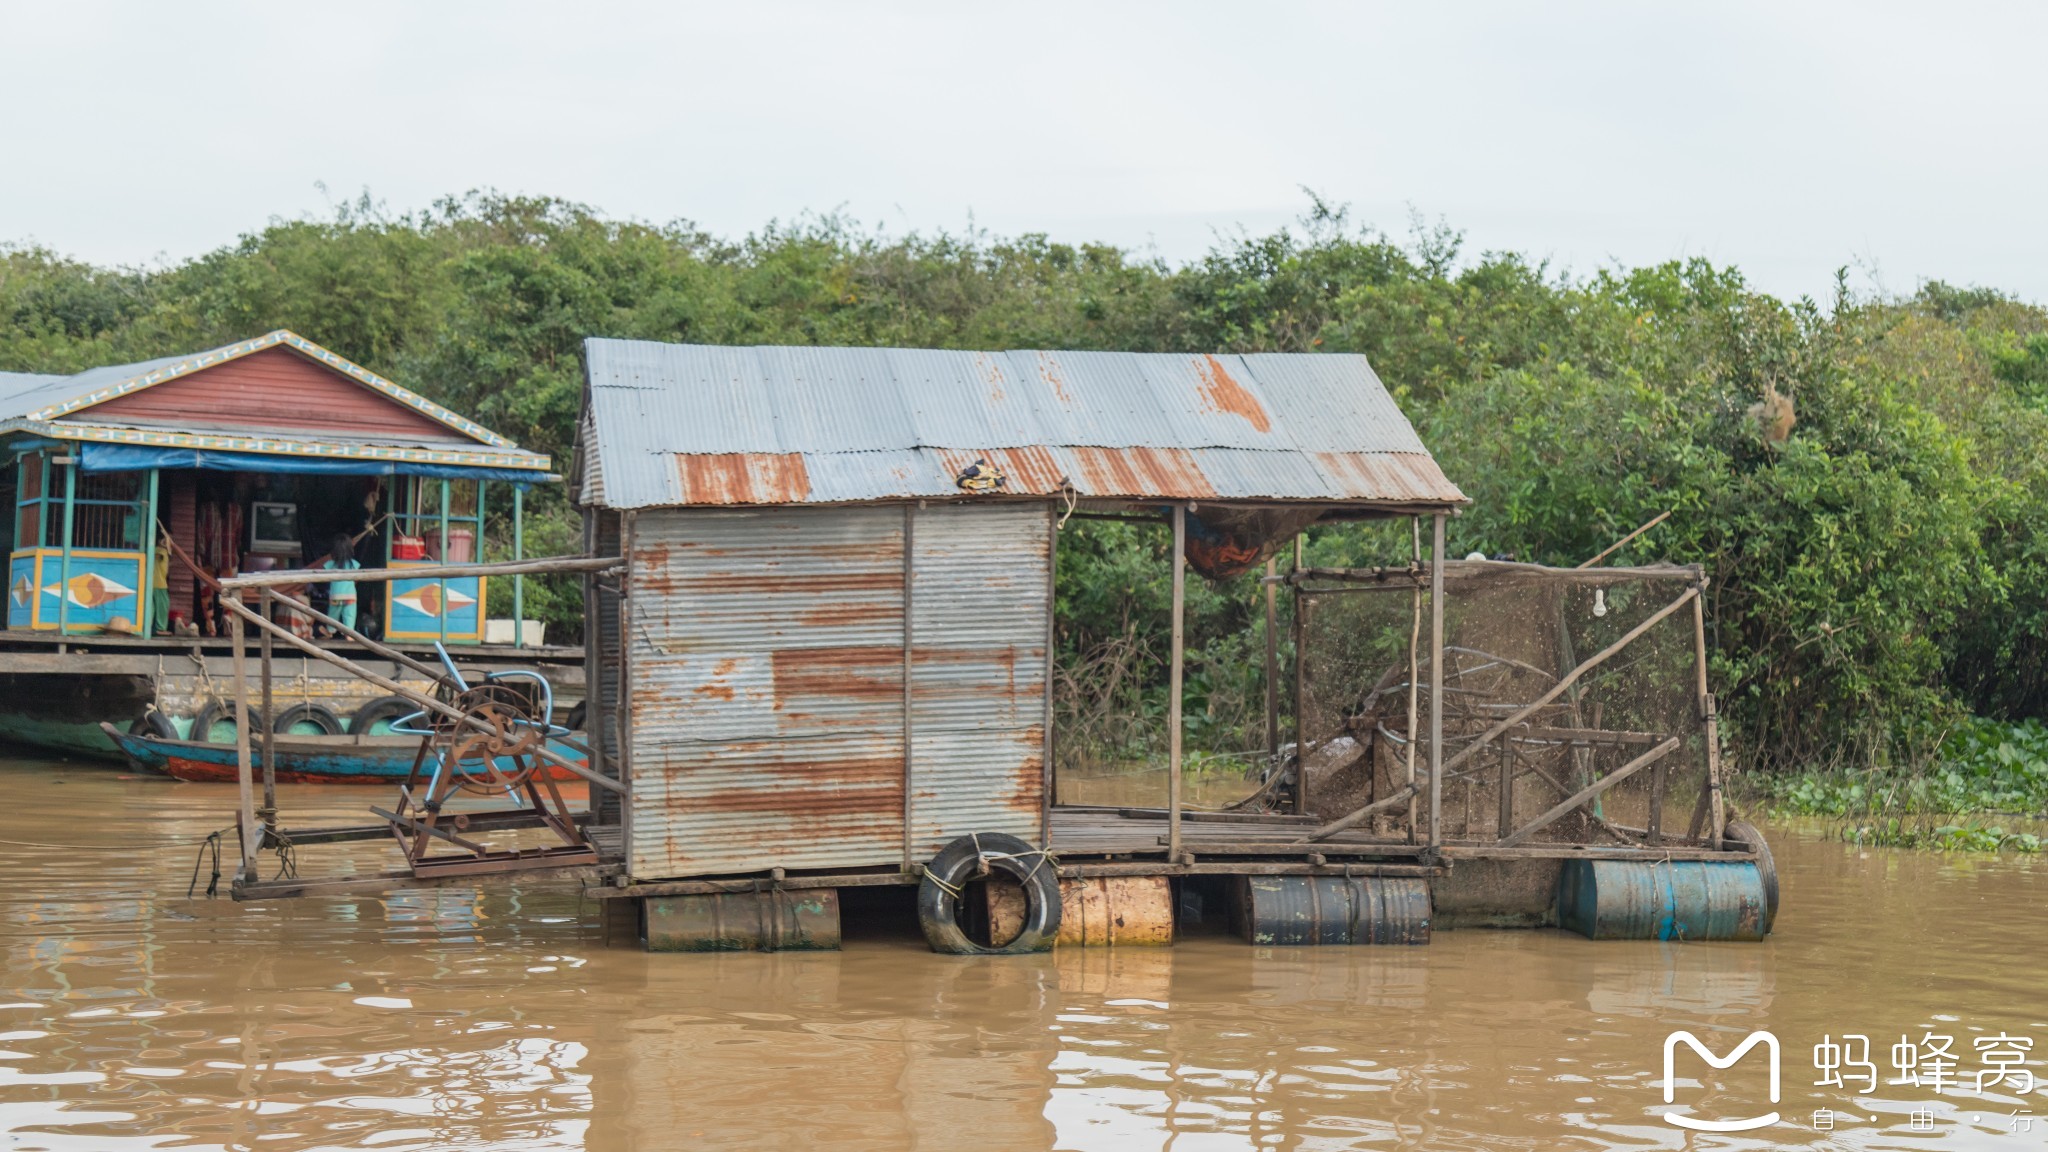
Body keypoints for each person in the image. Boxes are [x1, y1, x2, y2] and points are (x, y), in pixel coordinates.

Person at [320, 533, 361, 637]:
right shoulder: (354, 564)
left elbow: (323, 577)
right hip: (350, 596)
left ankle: (330, 631)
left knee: (333, 615)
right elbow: (357, 580)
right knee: (350, 615)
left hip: (336, 596)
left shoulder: (330, 564)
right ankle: (349, 635)